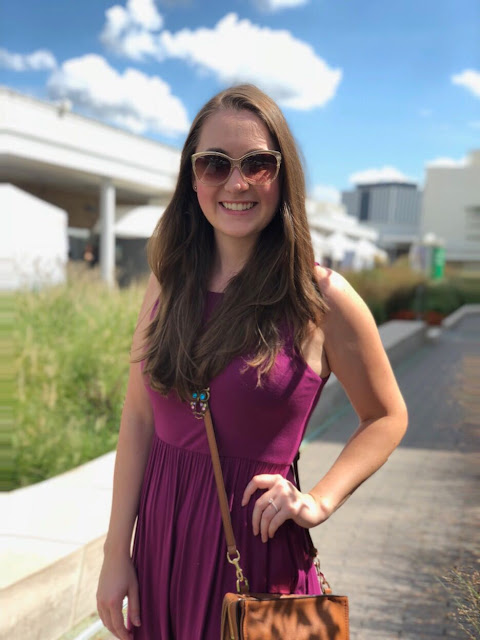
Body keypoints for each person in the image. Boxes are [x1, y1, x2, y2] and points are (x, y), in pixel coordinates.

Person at [96, 84, 408, 639]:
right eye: (215, 164)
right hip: (161, 549)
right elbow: (140, 418)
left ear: (282, 174)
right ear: (192, 179)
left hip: (256, 564)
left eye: (257, 164)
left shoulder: (321, 298)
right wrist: (116, 552)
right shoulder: (167, 282)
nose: (236, 183)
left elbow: (387, 416)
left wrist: (318, 500)